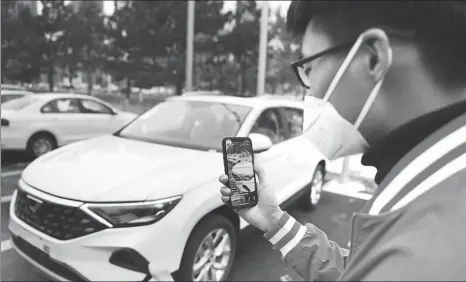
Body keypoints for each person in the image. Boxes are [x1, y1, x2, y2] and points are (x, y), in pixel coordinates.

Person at [219, 1, 466, 281]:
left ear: (372, 58)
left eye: (309, 67)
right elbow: (354, 269)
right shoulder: (430, 181)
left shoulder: (422, 257)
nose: (308, 89)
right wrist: (274, 221)